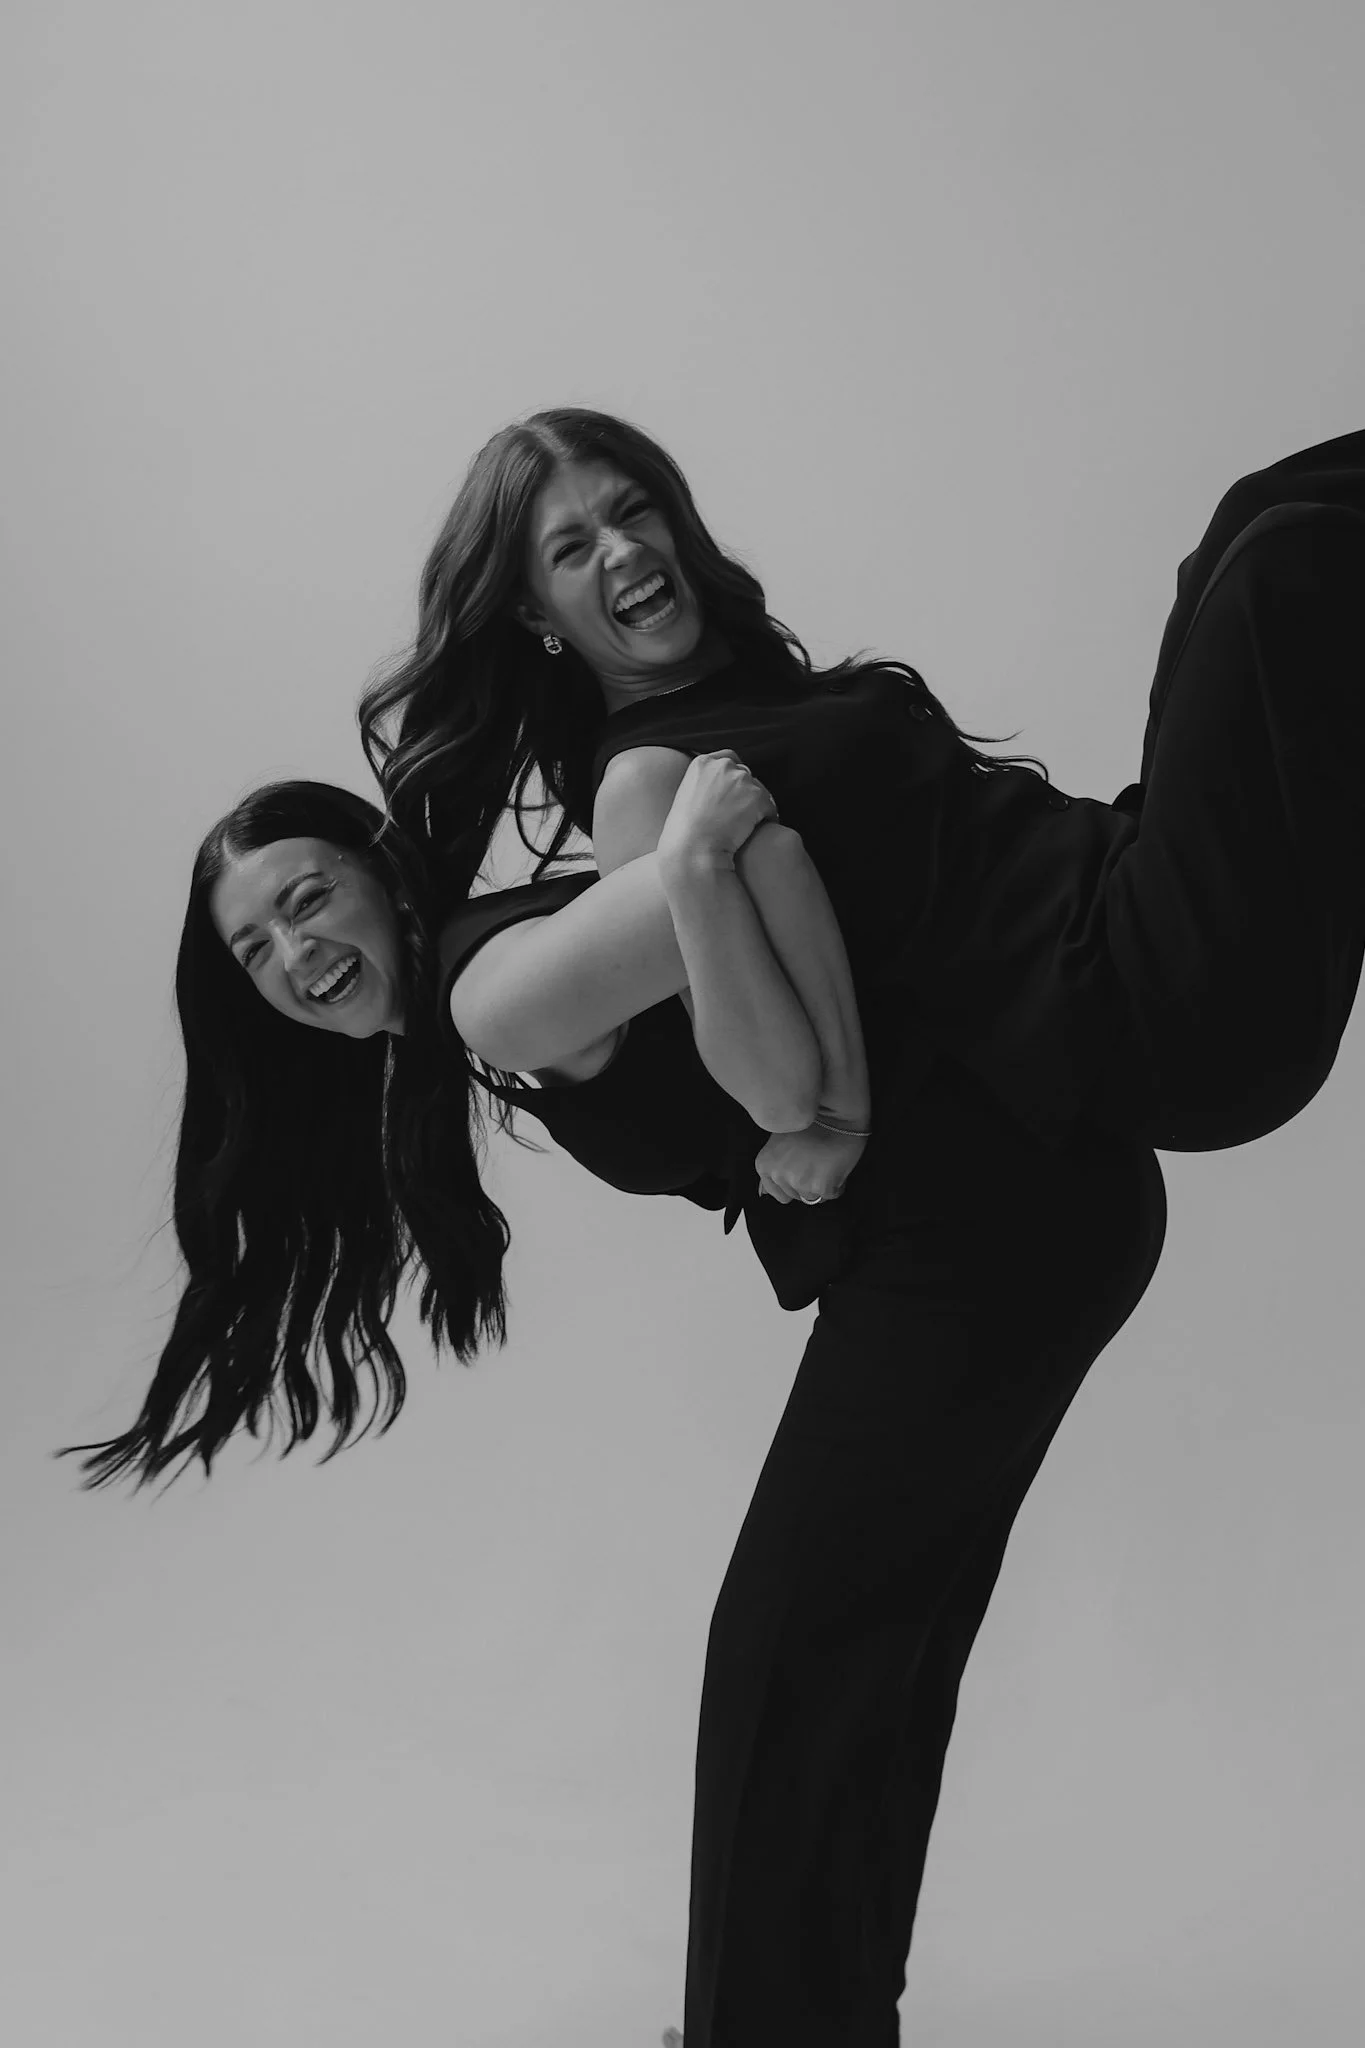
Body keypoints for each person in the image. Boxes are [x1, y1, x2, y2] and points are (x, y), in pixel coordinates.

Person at [60, 773, 1165, 2048]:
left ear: (380, 868)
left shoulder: (494, 988)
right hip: (1007, 1216)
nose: (294, 953)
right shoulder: (470, 1004)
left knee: (787, 1665)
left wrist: (695, 863)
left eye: (307, 900)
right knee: (865, 1668)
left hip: (982, 1227)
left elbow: (757, 852)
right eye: (254, 948)